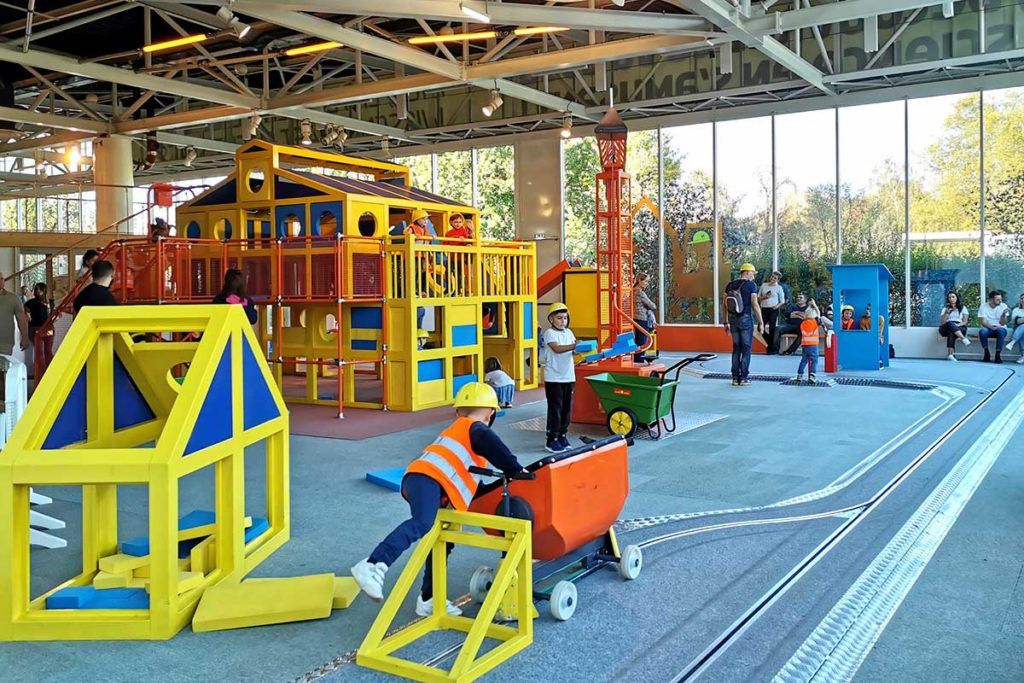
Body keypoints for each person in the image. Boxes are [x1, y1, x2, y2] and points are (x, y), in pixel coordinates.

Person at [350, 382, 524, 616]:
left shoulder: (461, 434)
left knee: (443, 539)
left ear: (457, 411)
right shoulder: (475, 428)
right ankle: (373, 564)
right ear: (491, 413)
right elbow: (497, 449)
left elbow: (471, 482)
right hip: (427, 479)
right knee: (422, 522)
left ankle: (428, 598)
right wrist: (516, 470)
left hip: (426, 482)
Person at [543, 302, 578, 452]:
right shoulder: (549, 333)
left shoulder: (569, 333)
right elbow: (557, 349)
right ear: (551, 319)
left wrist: (581, 349)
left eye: (565, 318)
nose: (563, 321)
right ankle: (552, 439)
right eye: (559, 318)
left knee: (566, 409)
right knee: (555, 409)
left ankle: (563, 435)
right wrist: (574, 346)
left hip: (568, 377)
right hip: (554, 378)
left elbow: (574, 350)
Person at [722, 263, 764, 386]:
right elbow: (755, 304)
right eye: (752, 273)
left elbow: (724, 305)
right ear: (746, 272)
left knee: (736, 349)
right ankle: (744, 377)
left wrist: (725, 322)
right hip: (745, 319)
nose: (753, 276)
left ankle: (735, 378)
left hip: (733, 320)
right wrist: (761, 322)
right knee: (746, 349)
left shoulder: (730, 285)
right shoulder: (751, 285)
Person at [0, 272, 30, 362]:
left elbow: (21, 319)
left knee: (3, 368)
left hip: (4, 345)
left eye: (2, 278)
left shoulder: (13, 298)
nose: (1, 281)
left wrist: (25, 338)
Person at [24, 282, 53, 368]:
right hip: (36, 329)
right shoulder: (31, 302)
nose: (38, 291)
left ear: (44, 290)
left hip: (47, 328)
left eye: (40, 289)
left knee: (47, 351)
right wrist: (27, 314)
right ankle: (41, 371)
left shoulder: (50, 302)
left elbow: (53, 313)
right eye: (36, 289)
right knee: (40, 352)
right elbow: (25, 308)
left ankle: (49, 369)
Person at [757, 271, 785, 354]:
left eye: (775, 278)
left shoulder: (779, 288)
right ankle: (771, 345)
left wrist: (776, 306)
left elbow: (782, 301)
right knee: (760, 327)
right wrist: (764, 297)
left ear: (778, 280)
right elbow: (758, 298)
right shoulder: (764, 285)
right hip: (764, 309)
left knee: (772, 329)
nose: (772, 278)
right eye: (772, 276)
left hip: (773, 310)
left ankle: (770, 349)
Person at [977, 290, 1009, 363]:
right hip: (988, 328)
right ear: (991, 300)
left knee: (1001, 331)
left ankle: (998, 354)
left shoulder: (1003, 306)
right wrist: (992, 327)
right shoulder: (983, 306)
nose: (1000, 301)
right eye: (998, 299)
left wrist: (1003, 314)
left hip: (1000, 328)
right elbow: (983, 321)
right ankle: (986, 352)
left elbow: (1003, 323)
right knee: (982, 331)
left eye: (1000, 299)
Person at [939, 291, 970, 361]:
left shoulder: (963, 308)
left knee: (951, 331)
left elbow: (965, 322)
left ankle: (951, 355)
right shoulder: (945, 309)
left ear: (956, 298)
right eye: (949, 297)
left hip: (960, 326)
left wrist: (957, 325)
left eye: (953, 297)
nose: (951, 299)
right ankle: (963, 338)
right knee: (950, 324)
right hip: (946, 327)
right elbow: (942, 323)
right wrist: (946, 313)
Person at [632, 272, 657, 363]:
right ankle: (639, 360)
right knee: (642, 342)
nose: (647, 283)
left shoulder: (632, 291)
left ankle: (636, 359)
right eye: (646, 281)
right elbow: (652, 306)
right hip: (642, 319)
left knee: (637, 341)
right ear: (639, 280)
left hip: (634, 319)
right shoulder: (640, 293)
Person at [793, 304, 821, 384]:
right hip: (813, 344)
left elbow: (805, 318)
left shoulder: (803, 323)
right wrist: (815, 305)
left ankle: (800, 375)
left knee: (804, 360)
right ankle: (812, 375)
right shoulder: (814, 322)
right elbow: (819, 313)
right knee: (814, 360)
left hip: (805, 344)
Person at [1005, 293, 1024, 363]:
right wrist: (1018, 320)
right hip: (1017, 329)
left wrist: (1020, 319)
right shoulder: (1016, 310)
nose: (1023, 300)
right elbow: (1014, 322)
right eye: (1021, 298)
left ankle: (1012, 342)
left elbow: (1018, 320)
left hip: (1018, 331)